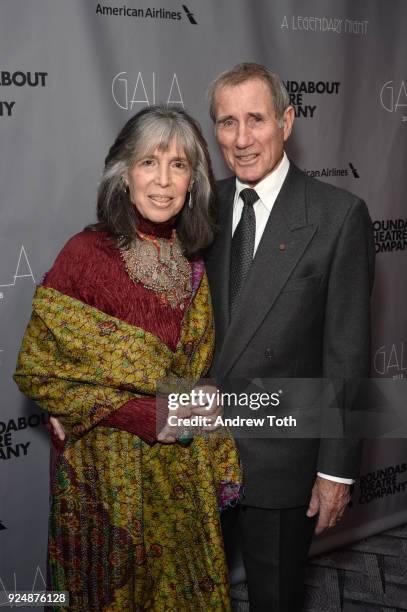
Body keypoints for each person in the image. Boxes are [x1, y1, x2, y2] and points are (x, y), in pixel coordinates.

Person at [14, 105, 241, 611]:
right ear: (124, 174)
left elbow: (197, 379)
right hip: (105, 482)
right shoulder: (84, 254)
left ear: (193, 181)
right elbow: (39, 369)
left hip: (182, 480)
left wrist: (188, 408)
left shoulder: (195, 260)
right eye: (148, 163)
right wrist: (144, 413)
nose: (163, 181)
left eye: (179, 165)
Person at [205, 63, 375, 611]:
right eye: (227, 122)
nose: (242, 138)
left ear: (287, 121)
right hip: (195, 444)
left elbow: (346, 355)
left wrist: (335, 471)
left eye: (256, 119)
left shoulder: (338, 216)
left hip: (280, 458)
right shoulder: (197, 207)